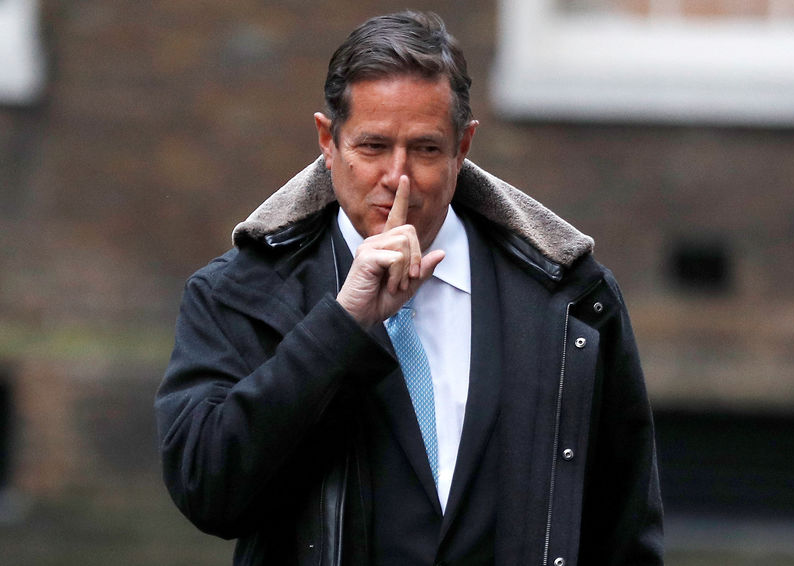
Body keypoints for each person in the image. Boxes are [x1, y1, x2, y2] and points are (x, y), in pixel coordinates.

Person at [155, 11, 663, 566]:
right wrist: (342, 323)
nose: (398, 177)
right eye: (372, 147)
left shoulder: (568, 298)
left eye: (424, 149)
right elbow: (208, 490)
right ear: (329, 141)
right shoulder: (239, 292)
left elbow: (625, 531)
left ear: (463, 146)